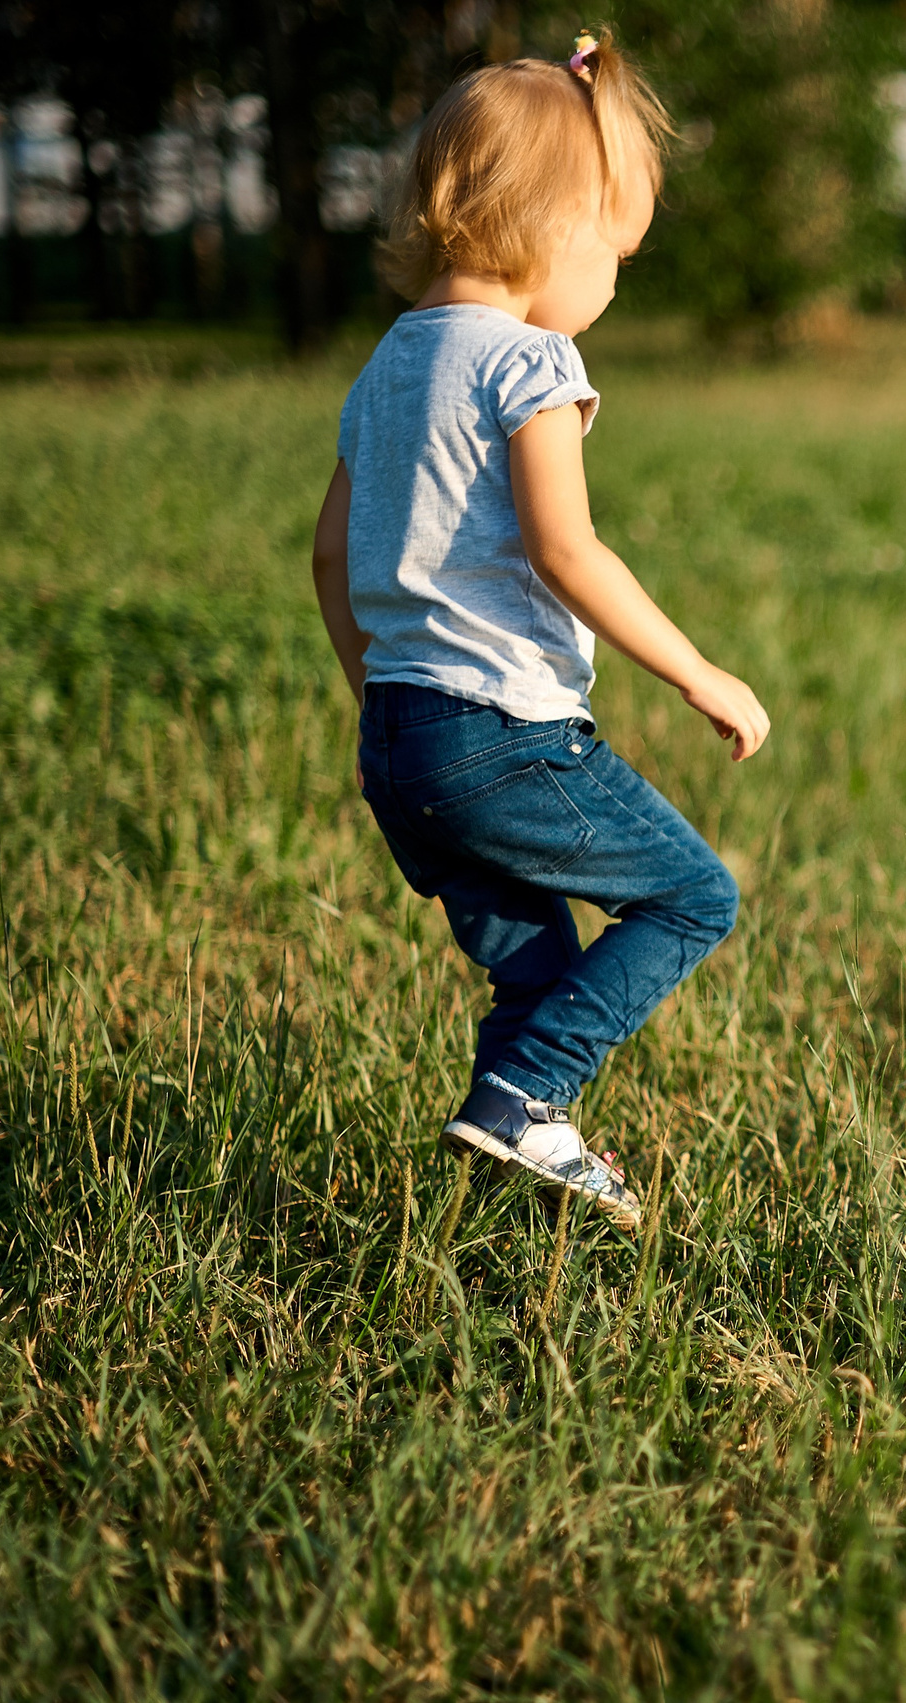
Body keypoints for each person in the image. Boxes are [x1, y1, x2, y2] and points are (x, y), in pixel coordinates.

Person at [309, 30, 768, 1230]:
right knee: (690, 898)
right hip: (502, 737)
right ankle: (525, 1091)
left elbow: (327, 553)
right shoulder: (530, 362)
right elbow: (567, 552)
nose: (614, 282)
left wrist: (383, 694)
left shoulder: (387, 367)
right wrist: (695, 671)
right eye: (615, 251)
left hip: (399, 743)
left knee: (535, 963)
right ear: (551, 229)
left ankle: (519, 1155)